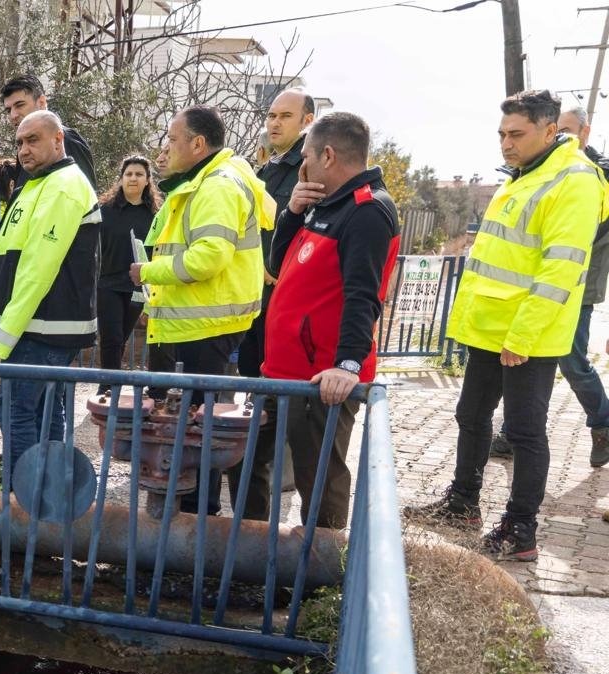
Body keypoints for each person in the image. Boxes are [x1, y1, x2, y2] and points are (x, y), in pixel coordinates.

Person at [411, 90, 609, 560]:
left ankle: (521, 530)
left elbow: (560, 269)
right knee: (471, 416)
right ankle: (463, 503)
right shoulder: (522, 176)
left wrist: (522, 336)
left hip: (528, 336)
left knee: (523, 432)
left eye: (516, 134)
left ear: (549, 130)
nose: (505, 143)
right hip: (489, 328)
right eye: (502, 134)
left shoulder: (575, 181)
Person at [241, 111, 400, 529]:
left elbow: (363, 295)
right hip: (280, 370)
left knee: (319, 478)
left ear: (327, 155)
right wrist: (292, 212)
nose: (302, 166)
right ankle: (248, 552)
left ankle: (321, 571)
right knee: (246, 463)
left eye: (306, 156)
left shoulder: (367, 211)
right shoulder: (323, 201)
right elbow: (278, 265)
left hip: (320, 379)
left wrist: (347, 365)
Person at [129, 107, 273, 513]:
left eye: (173, 139)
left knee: (198, 427)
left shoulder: (217, 186)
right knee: (196, 421)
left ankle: (197, 513)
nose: (166, 147)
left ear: (197, 144)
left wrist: (148, 271)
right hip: (203, 320)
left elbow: (207, 258)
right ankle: (194, 508)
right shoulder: (208, 180)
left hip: (207, 322)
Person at [0, 111, 99, 482]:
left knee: (17, 413)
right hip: (40, 326)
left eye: (33, 140)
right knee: (47, 413)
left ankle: (23, 501)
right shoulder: (39, 184)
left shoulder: (62, 185)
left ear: (58, 139)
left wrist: (2, 338)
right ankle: (45, 496)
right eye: (19, 142)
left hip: (39, 327)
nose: (23, 149)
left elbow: (37, 269)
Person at [490, 103, 609, 468]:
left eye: (567, 131)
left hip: (577, 288)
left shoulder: (595, 178)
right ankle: (513, 430)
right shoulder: (540, 170)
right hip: (532, 287)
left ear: (585, 134)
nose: (560, 138)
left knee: (570, 361)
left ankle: (603, 422)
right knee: (522, 357)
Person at [240, 90, 318, 380]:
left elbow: (311, 230)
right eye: (272, 115)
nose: (275, 123)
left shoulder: (309, 169)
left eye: (286, 116)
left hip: (284, 289)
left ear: (307, 121)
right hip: (253, 288)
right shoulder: (265, 169)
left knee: (274, 375)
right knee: (249, 368)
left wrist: (275, 266)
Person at [95, 156, 158, 386]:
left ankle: (111, 383)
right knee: (111, 338)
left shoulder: (155, 215)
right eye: (129, 174)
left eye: (139, 174)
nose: (133, 178)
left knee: (121, 337)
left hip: (138, 287)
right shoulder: (105, 209)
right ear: (120, 179)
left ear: (148, 180)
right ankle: (108, 388)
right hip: (107, 284)